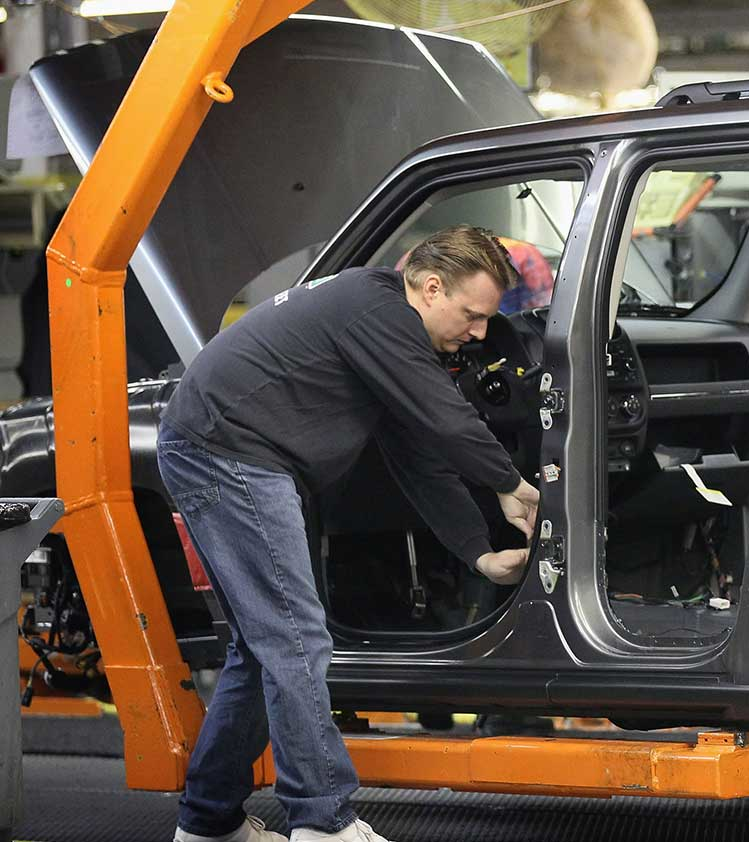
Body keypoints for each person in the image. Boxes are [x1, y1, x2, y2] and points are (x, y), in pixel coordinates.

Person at [158, 225, 541, 842]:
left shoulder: (386, 328)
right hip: (228, 452)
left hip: (226, 450)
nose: (477, 335)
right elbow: (447, 421)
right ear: (432, 286)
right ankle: (324, 822)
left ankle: (208, 826)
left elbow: (418, 450)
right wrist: (509, 483)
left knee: (262, 652)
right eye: (471, 316)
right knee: (295, 640)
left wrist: (478, 551)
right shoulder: (377, 309)